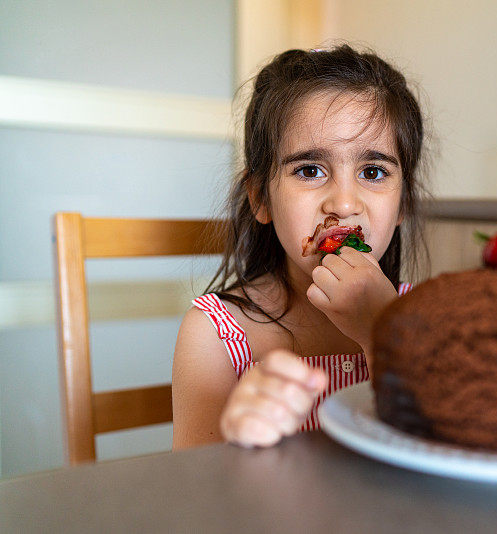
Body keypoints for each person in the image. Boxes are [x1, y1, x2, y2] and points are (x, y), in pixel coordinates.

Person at [172, 44, 429, 449]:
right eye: (310, 170)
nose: (344, 204)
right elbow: (193, 497)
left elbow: (438, 461)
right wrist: (237, 441)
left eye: (373, 171)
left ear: (403, 204)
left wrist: (383, 335)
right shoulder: (216, 336)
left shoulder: (427, 317)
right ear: (260, 198)